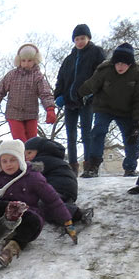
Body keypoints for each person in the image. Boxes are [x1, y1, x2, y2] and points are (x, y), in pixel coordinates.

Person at [0, 140, 77, 268]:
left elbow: (52, 199)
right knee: (0, 206)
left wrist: (67, 221)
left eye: (13, 160)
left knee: (34, 222)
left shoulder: (33, 177)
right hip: (6, 217)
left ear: (20, 159)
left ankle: (11, 248)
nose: (8, 164)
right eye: (4, 161)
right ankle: (5, 233)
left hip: (28, 215)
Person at [78, 43, 139, 178]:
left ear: (130, 64)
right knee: (98, 131)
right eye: (118, 63)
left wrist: (137, 122)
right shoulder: (105, 70)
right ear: (113, 62)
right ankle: (93, 166)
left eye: (124, 64)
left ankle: (130, 167)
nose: (120, 67)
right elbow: (91, 84)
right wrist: (78, 94)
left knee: (132, 136)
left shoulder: (138, 74)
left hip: (127, 111)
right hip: (104, 107)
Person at [54, 24, 106, 175]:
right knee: (70, 135)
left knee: (86, 133)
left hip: (86, 100)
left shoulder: (96, 53)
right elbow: (61, 79)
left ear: (88, 38)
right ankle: (72, 166)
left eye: (82, 38)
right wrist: (58, 96)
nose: (80, 42)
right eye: (77, 39)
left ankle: (89, 165)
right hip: (69, 101)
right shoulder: (69, 59)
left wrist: (91, 92)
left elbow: (101, 74)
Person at [0, 43, 56, 142]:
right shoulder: (11, 75)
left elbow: (45, 93)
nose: (26, 63)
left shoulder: (37, 76)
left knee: (32, 142)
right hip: (14, 113)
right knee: (20, 141)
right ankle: (21, 156)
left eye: (30, 60)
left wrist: (50, 109)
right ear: (19, 61)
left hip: (31, 114)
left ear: (35, 60)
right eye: (23, 60)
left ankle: (32, 157)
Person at [24, 137, 93, 224]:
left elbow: (28, 176)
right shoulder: (54, 159)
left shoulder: (40, 161)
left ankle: (79, 214)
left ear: (40, 151)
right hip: (67, 190)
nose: (27, 157)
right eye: (25, 154)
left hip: (58, 188)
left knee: (43, 205)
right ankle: (68, 207)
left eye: (30, 153)